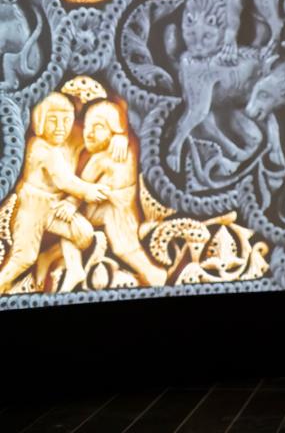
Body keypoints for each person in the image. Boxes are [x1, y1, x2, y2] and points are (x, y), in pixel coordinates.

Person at [0, 93, 108, 292]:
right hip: (31, 207)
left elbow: (95, 135)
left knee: (83, 233)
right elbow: (63, 180)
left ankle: (53, 260)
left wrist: (119, 136)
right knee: (24, 257)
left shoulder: (62, 143)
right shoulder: (41, 147)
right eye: (52, 120)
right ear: (40, 121)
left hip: (52, 206)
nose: (60, 127)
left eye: (66, 120)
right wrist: (88, 190)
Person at [76, 101, 166, 286]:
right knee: (124, 247)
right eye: (86, 126)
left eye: (98, 126)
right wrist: (123, 135)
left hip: (118, 213)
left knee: (124, 247)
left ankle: (155, 277)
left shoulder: (107, 157)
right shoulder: (122, 151)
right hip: (116, 210)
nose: (89, 133)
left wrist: (123, 134)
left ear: (113, 131)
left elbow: (80, 189)